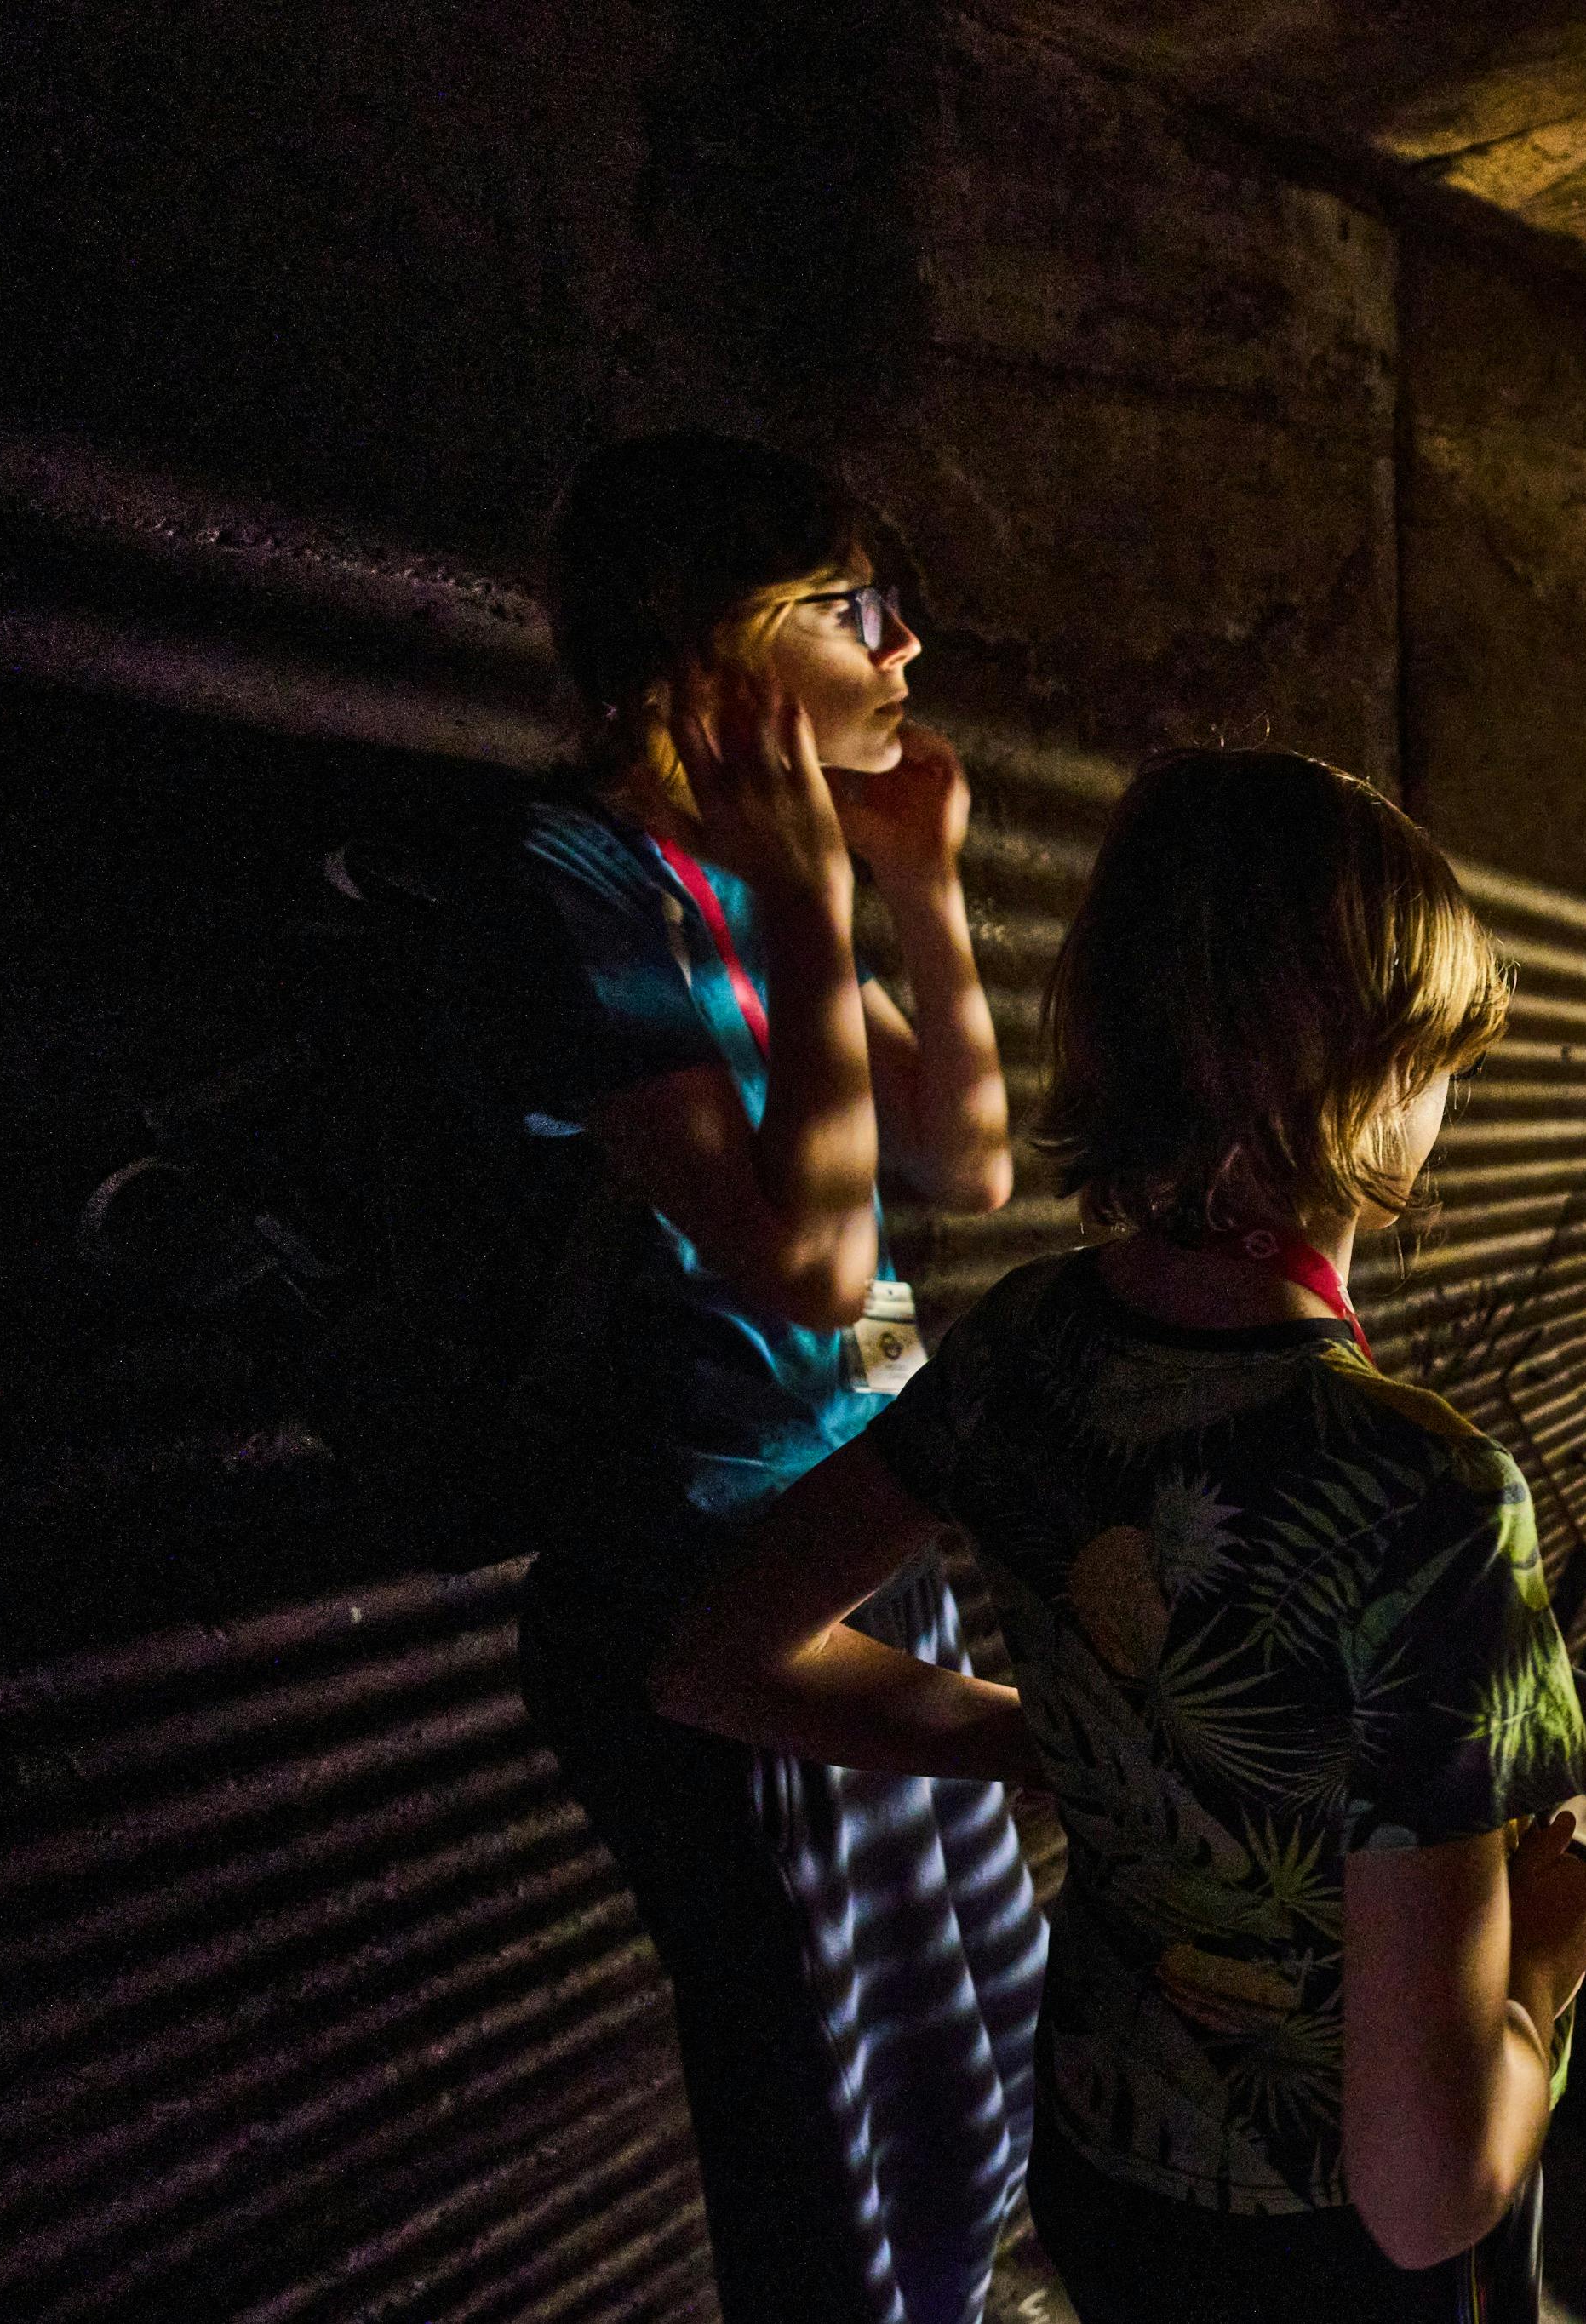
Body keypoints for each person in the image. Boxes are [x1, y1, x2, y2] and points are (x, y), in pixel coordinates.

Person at [655, 747, 1586, 2324]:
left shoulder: (1031, 1341)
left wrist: (1077, 1744)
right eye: (1436, 1057)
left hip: (1102, 2164)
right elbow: (1429, 2190)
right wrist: (1545, 1976)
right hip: (1323, 2269)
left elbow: (713, 1660)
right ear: (1360, 1073)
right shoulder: (1427, 1501)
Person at [512, 432, 1045, 2324]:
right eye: (855, 607)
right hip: (703, 1580)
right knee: (835, 2126)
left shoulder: (744, 871)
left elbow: (969, 1164)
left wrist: (914, 885)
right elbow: (813, 1268)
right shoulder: (577, 881)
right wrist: (817, 904)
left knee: (973, 2052)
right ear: (714, 644)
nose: (905, 651)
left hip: (840, 1534)